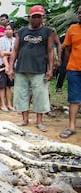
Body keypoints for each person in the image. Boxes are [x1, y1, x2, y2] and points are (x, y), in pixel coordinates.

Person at [8, 5, 54, 132]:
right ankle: (24, 119)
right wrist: (11, 67)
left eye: (39, 16)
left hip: (39, 69)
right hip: (21, 68)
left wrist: (50, 69)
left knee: (40, 96)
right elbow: (15, 50)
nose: (36, 19)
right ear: (29, 17)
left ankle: (39, 121)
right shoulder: (21, 32)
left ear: (43, 17)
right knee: (21, 94)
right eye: (34, 17)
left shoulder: (48, 32)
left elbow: (50, 52)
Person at [59, 5, 81, 139]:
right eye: (79, 12)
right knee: (74, 99)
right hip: (74, 69)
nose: (80, 15)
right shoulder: (72, 29)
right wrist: (67, 65)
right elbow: (67, 48)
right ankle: (71, 127)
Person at [0, 23, 16, 112]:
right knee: (1, 85)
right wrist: (7, 66)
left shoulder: (16, 40)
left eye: (9, 29)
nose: (7, 30)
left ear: (13, 30)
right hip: (2, 64)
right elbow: (1, 54)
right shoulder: (1, 40)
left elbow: (17, 53)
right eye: (6, 29)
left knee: (9, 86)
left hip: (13, 65)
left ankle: (9, 104)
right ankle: (2, 104)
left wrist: (8, 53)